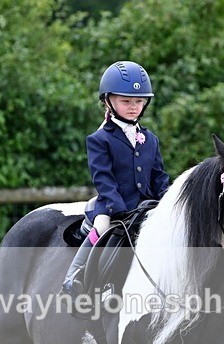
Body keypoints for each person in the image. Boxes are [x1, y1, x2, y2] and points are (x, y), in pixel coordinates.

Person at [62, 60, 170, 296]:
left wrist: (168, 201)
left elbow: (158, 175)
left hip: (147, 206)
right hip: (113, 205)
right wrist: (117, 207)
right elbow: (103, 179)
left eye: (139, 101)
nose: (133, 107)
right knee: (101, 227)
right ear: (108, 101)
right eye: (126, 101)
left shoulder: (150, 139)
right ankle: (75, 276)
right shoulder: (100, 139)